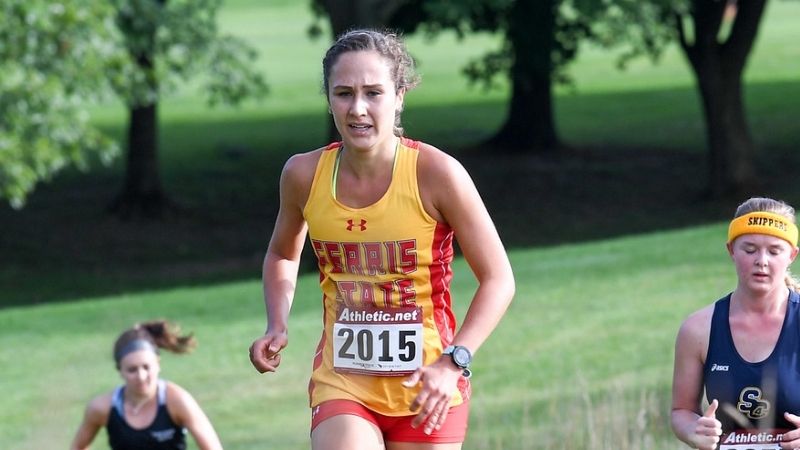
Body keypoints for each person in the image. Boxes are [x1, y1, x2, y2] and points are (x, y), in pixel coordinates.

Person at [248, 29, 515, 449]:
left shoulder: (437, 174)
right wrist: (276, 322)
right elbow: (283, 252)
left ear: (400, 95)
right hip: (344, 382)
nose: (358, 109)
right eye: (343, 93)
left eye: (373, 92)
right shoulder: (303, 175)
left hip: (430, 383)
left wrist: (455, 361)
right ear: (329, 98)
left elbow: (499, 278)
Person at [671, 197, 800, 450]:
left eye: (774, 251)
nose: (761, 261)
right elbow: (681, 410)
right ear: (731, 250)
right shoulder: (698, 328)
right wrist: (693, 431)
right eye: (749, 249)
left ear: (792, 255)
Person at [71, 320, 223, 450]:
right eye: (132, 370)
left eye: (146, 367)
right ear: (120, 370)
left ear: (158, 364)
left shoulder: (177, 401)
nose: (141, 376)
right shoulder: (102, 408)